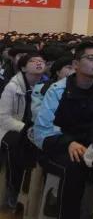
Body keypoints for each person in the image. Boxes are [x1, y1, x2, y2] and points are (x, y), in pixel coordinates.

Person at [34, 42, 93, 219]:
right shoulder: (58, 90)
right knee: (75, 166)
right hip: (59, 147)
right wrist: (68, 143)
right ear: (76, 64)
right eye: (91, 58)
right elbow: (42, 131)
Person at [0, 51, 46, 207]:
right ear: (24, 68)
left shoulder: (48, 86)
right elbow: (3, 118)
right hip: (11, 128)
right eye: (33, 61)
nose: (39, 63)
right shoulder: (13, 87)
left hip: (36, 129)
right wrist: (25, 128)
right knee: (16, 146)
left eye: (41, 61)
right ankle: (13, 187)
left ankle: (35, 191)